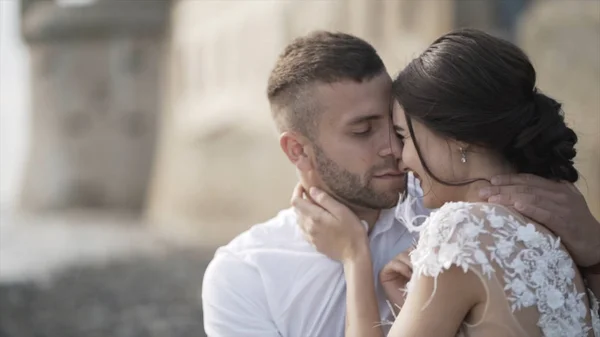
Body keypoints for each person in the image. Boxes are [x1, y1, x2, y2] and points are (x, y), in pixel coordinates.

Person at [202, 31, 600, 337]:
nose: (393, 149)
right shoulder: (244, 273)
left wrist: (596, 252)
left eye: (398, 129)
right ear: (297, 152)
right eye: (363, 131)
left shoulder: (451, 209)